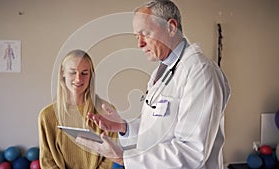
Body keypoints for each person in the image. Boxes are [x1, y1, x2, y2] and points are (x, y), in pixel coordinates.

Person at [76, 0, 231, 169]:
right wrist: (125, 127)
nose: (139, 44)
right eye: (137, 36)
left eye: (145, 34)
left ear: (171, 27)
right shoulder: (162, 71)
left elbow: (192, 152)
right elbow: (157, 129)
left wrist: (123, 158)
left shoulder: (199, 72)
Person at [38, 49, 118, 169]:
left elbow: (109, 157)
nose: (78, 79)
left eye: (84, 73)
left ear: (91, 75)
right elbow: (47, 160)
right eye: (72, 72)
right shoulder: (46, 116)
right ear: (62, 74)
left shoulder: (107, 111)